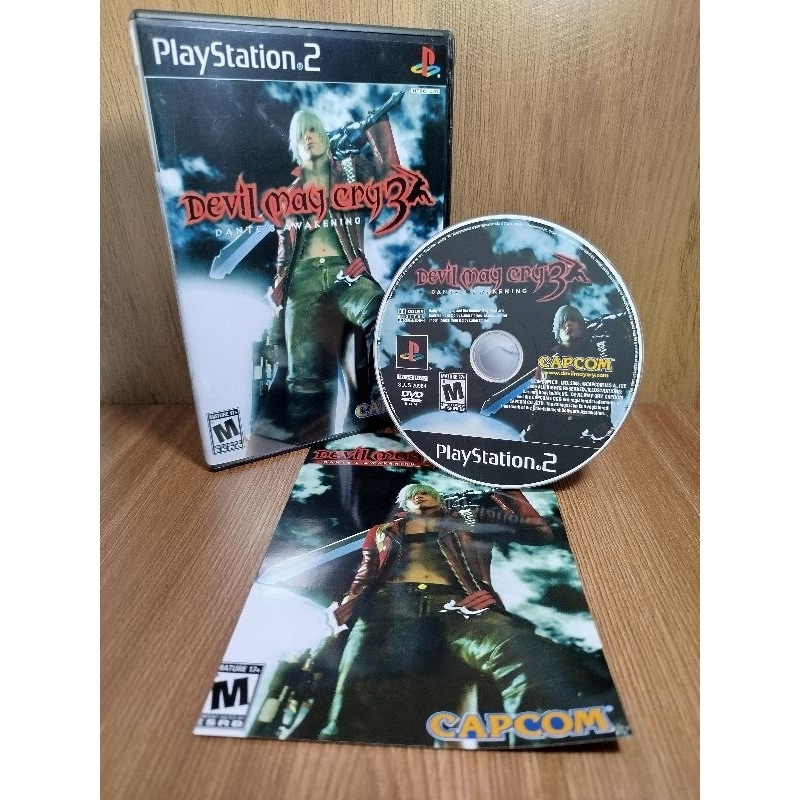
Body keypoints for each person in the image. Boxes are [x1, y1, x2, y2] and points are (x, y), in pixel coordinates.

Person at [317, 483, 619, 745]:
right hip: (387, 608)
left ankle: (543, 736)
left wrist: (506, 489)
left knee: (524, 651)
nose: (419, 496)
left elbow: (538, 533)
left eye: (426, 492)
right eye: (412, 494)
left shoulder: (470, 519)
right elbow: (365, 575)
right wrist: (348, 604)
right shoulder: (382, 532)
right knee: (354, 696)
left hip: (461, 606)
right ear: (402, 504)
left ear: (440, 499)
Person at [252, 105, 401, 441]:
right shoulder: (291, 194)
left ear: (324, 136)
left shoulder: (350, 171)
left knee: (380, 309)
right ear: (295, 144)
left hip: (345, 270)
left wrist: (377, 125)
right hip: (302, 280)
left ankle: (381, 395)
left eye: (314, 130)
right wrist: (279, 287)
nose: (308, 137)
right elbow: (284, 249)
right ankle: (305, 443)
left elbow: (391, 177)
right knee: (304, 379)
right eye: (301, 134)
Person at [521, 304, 615, 444]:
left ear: (581, 325)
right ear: (557, 330)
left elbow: (603, 392)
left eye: (572, 319)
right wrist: (533, 424)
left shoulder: (595, 356)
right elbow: (540, 396)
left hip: (584, 428)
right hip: (551, 425)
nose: (568, 324)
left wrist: (603, 422)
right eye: (563, 322)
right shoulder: (547, 359)